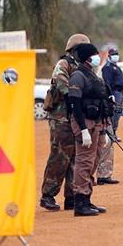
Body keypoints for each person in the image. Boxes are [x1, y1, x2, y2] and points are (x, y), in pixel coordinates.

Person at [39, 34, 90, 211]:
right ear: (75, 49)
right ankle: (48, 196)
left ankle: (72, 196)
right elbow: (63, 86)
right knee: (60, 157)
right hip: (60, 118)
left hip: (75, 119)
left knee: (76, 158)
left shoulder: (82, 67)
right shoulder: (64, 64)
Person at [68, 43, 112, 217]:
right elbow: (75, 104)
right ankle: (80, 202)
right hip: (85, 123)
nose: (98, 57)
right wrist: (83, 129)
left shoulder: (93, 75)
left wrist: (105, 129)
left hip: (98, 124)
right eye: (95, 54)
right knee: (84, 162)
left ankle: (87, 198)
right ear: (88, 57)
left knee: (94, 161)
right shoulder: (78, 76)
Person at [102, 48, 123, 135]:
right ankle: (111, 133)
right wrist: (110, 95)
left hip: (119, 92)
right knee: (114, 113)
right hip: (114, 93)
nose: (115, 56)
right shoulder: (107, 68)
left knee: (118, 113)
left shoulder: (116, 66)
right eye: (113, 54)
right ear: (109, 56)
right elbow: (107, 83)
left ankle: (114, 132)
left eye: (116, 54)